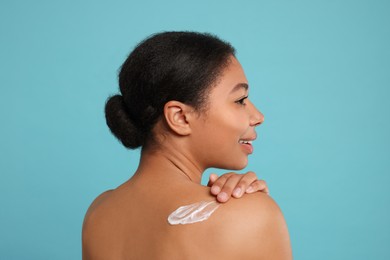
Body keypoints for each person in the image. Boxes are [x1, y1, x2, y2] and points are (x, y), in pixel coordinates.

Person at [82, 31, 292, 259]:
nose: (258, 116)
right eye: (240, 100)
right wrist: (254, 208)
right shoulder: (250, 215)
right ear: (180, 117)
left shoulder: (98, 212)